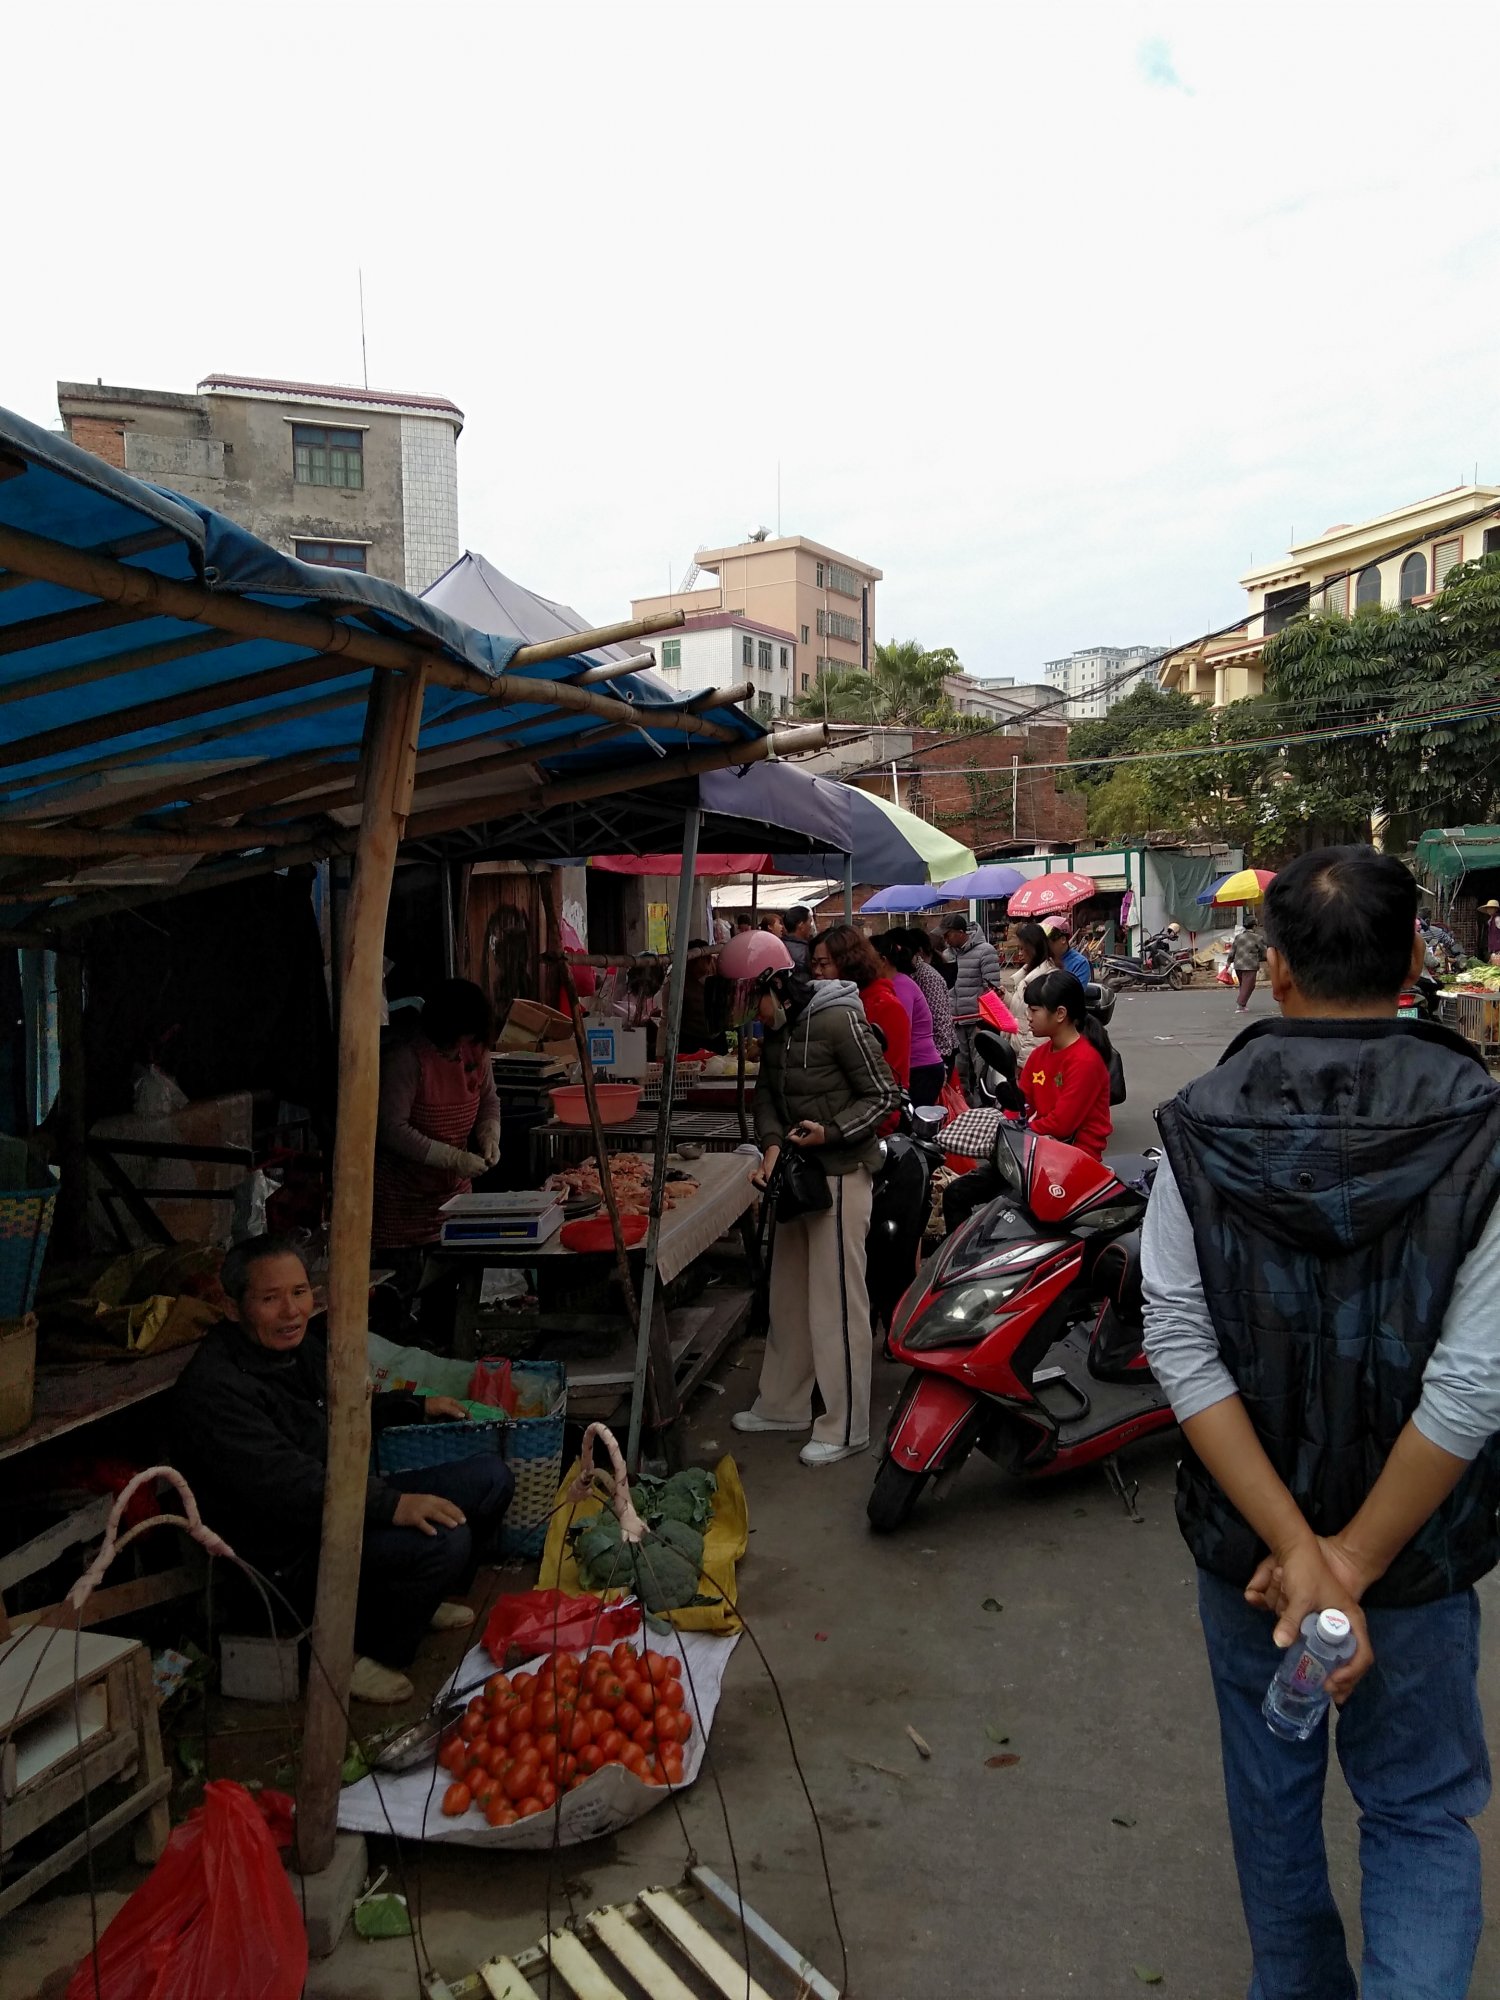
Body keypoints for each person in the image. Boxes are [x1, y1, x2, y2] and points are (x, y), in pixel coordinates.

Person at [1141, 844, 1500, 2000]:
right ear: (1411, 964)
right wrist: (1353, 1562)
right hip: (1421, 1557)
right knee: (1420, 1810)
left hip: (1254, 1563)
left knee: (1274, 1805)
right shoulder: (1485, 1129)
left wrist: (1303, 1554)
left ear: (1279, 969)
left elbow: (1180, 1346)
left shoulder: (1194, 1127)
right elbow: (1474, 1381)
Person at [173, 1235, 513, 1703]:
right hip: (283, 1554)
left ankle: (415, 1599)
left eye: (299, 1292)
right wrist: (391, 1503)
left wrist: (414, 1405)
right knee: (445, 1539)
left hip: (337, 1507)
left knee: (491, 1479)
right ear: (233, 1308)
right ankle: (361, 1653)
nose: (291, 1311)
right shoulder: (215, 1389)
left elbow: (346, 1405)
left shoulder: (300, 1348)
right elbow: (288, 1484)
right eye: (270, 1299)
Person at [723, 931, 899, 1465]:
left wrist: (831, 1132)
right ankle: (782, 1405)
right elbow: (766, 1098)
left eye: (753, 999)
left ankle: (847, 1428)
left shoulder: (838, 1019)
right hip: (796, 1177)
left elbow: (884, 1094)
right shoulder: (778, 1028)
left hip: (842, 1174)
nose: (752, 1015)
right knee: (789, 1296)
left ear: (777, 984)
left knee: (836, 1303)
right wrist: (771, 1147)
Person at [372, 980, 500, 1317]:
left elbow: (489, 1100)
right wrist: (451, 1158)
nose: (467, 1048)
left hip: (453, 1196)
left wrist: (489, 1134)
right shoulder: (407, 1060)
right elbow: (390, 1129)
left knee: (447, 1291)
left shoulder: (476, 1054)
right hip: (401, 1201)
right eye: (463, 1038)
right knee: (397, 1292)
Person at [1017, 970, 1112, 1158]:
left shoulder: (1085, 1061)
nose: (1028, 1016)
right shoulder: (1038, 1055)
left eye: (1034, 1010)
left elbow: (1061, 1124)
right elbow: (1021, 1103)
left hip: (1077, 1157)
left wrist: (1021, 1130)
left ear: (1060, 1013)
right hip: (1042, 1147)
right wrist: (1009, 1123)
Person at [812, 925, 911, 1090]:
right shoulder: (819, 1002)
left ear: (848, 963)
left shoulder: (885, 1005)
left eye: (824, 964)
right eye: (813, 963)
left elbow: (893, 1076)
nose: (817, 971)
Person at [872, 931, 943, 1104]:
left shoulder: (900, 986)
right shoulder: (891, 985)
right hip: (916, 1067)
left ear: (883, 960)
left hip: (921, 1068)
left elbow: (900, 1032)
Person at [942, 915, 1003, 1091]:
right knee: (959, 1069)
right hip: (955, 1021)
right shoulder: (946, 955)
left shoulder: (985, 951)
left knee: (981, 1066)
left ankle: (985, 1100)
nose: (945, 940)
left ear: (961, 932)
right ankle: (963, 1101)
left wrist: (984, 1022)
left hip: (977, 1020)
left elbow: (992, 989)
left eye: (948, 934)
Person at [900, 928, 956, 1079]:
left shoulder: (927, 977)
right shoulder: (912, 975)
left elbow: (940, 1018)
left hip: (937, 1055)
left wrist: (941, 1059)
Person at [1002, 922, 1051, 1052]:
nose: (1020, 953)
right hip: (1017, 1044)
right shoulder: (1027, 974)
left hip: (1027, 1050)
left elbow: (1038, 1036)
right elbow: (1020, 1011)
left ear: (1033, 949)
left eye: (1022, 948)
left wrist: (1023, 1060)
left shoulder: (1045, 980)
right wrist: (1005, 997)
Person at [678, 939, 728, 1054]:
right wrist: (660, 1052)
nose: (692, 968)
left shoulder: (721, 968)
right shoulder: (678, 980)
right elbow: (666, 1018)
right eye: (690, 963)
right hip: (690, 1038)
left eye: (696, 963)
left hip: (716, 1036)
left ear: (708, 959)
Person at [1229, 911, 1268, 1013]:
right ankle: (1241, 1005)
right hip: (1250, 964)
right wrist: (1264, 959)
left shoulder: (1238, 937)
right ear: (1254, 926)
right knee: (1249, 985)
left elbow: (1232, 951)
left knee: (1243, 985)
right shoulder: (1258, 938)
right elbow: (1264, 951)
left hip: (1238, 964)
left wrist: (1229, 962)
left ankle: (1243, 1004)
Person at [1043, 919, 1093, 987]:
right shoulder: (1041, 960)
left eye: (1048, 943)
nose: (1045, 947)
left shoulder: (1080, 963)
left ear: (1063, 939)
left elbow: (1075, 992)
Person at [782, 905, 814, 973]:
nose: (811, 926)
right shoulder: (806, 952)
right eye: (810, 922)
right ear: (801, 925)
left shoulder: (778, 945)